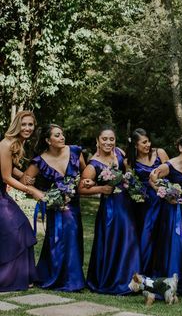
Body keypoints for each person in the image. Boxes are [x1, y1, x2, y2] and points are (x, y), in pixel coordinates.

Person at [23, 124, 87, 291]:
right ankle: (68, 280)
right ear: (47, 140)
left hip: (73, 203)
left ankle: (63, 276)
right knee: (58, 238)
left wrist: (87, 181)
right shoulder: (39, 161)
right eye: (57, 135)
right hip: (54, 205)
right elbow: (25, 182)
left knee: (73, 236)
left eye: (62, 134)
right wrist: (41, 194)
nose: (62, 138)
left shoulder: (74, 151)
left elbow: (86, 173)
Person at [80, 124, 140, 294]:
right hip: (111, 208)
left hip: (126, 203)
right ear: (97, 141)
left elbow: (128, 171)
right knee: (113, 242)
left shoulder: (119, 154)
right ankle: (110, 280)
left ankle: (130, 280)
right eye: (104, 139)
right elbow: (81, 189)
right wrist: (101, 189)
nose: (108, 142)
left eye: (111, 139)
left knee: (129, 240)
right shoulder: (93, 165)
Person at [148, 134, 182, 293]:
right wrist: (164, 193)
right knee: (177, 245)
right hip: (172, 211)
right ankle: (171, 280)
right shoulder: (168, 166)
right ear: (180, 148)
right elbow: (152, 180)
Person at [0, 110, 39, 291]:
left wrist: (23, 175)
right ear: (17, 125)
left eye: (30, 124)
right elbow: (6, 177)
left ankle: (22, 275)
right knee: (15, 230)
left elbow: (10, 168)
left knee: (22, 227)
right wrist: (31, 190)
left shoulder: (16, 144)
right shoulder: (6, 144)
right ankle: (7, 278)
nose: (27, 128)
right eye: (24, 124)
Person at [127, 128, 169, 272]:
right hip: (144, 203)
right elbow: (130, 182)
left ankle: (162, 270)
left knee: (163, 233)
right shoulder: (130, 161)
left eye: (148, 141)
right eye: (144, 142)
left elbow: (171, 173)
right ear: (135, 145)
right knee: (146, 234)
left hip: (162, 198)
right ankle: (143, 271)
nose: (148, 144)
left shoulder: (160, 153)